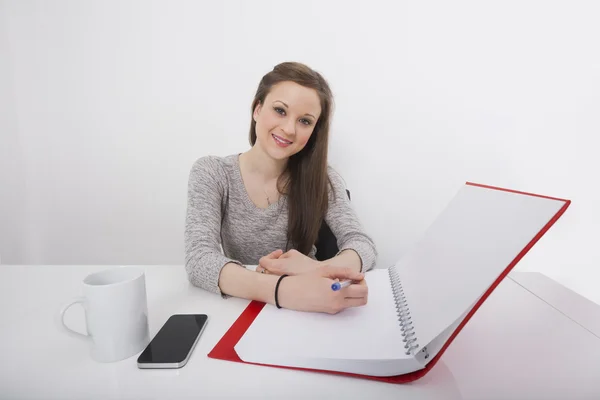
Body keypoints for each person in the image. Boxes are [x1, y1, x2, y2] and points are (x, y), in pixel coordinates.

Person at [184, 61, 377, 314]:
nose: (289, 129)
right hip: (245, 306)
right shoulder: (212, 172)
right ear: (257, 109)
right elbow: (199, 259)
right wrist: (283, 290)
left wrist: (317, 270)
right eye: (280, 110)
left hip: (312, 307)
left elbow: (362, 244)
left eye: (305, 121)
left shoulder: (323, 179)